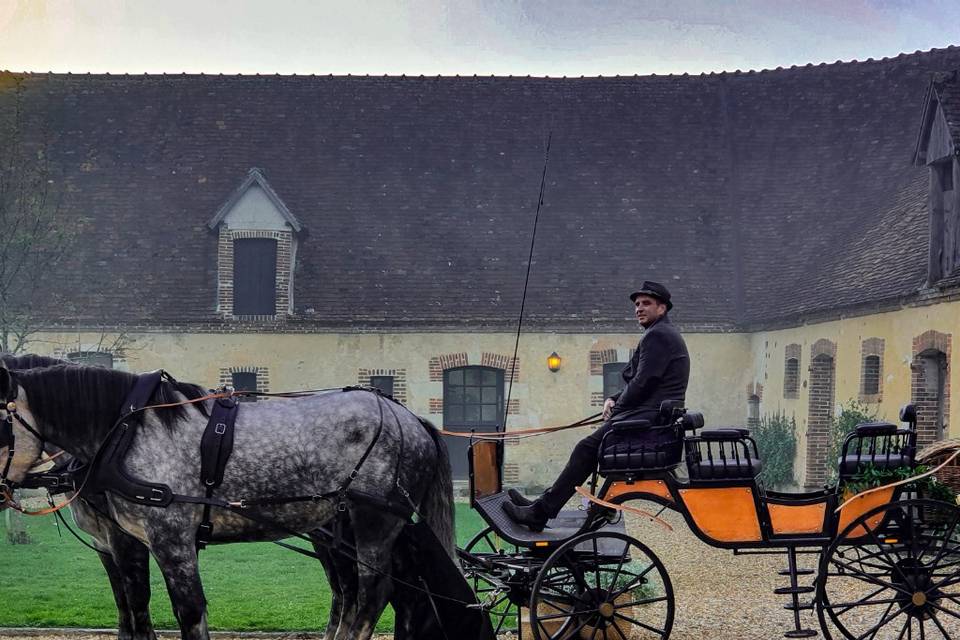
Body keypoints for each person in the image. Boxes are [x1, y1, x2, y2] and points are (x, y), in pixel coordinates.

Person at [503, 281, 690, 531]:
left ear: (662, 308)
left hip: (648, 425)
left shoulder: (658, 335)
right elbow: (642, 381)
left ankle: (540, 512)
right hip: (652, 421)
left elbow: (643, 384)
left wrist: (618, 410)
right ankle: (544, 504)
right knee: (587, 448)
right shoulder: (661, 334)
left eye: (646, 303)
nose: (639, 308)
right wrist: (614, 399)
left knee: (585, 448)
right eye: (637, 304)